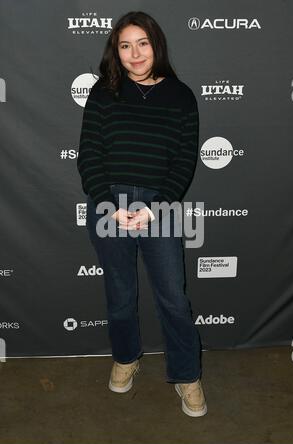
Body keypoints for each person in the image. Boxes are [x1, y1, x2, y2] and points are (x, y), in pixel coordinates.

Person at [77, 11, 207, 418]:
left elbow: (185, 160)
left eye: (143, 43)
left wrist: (155, 207)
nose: (135, 53)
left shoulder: (182, 95)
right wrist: (108, 204)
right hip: (108, 206)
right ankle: (125, 356)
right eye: (125, 45)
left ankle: (187, 376)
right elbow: (90, 155)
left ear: (157, 44)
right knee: (119, 296)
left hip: (162, 206)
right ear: (115, 51)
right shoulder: (103, 92)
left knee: (173, 298)